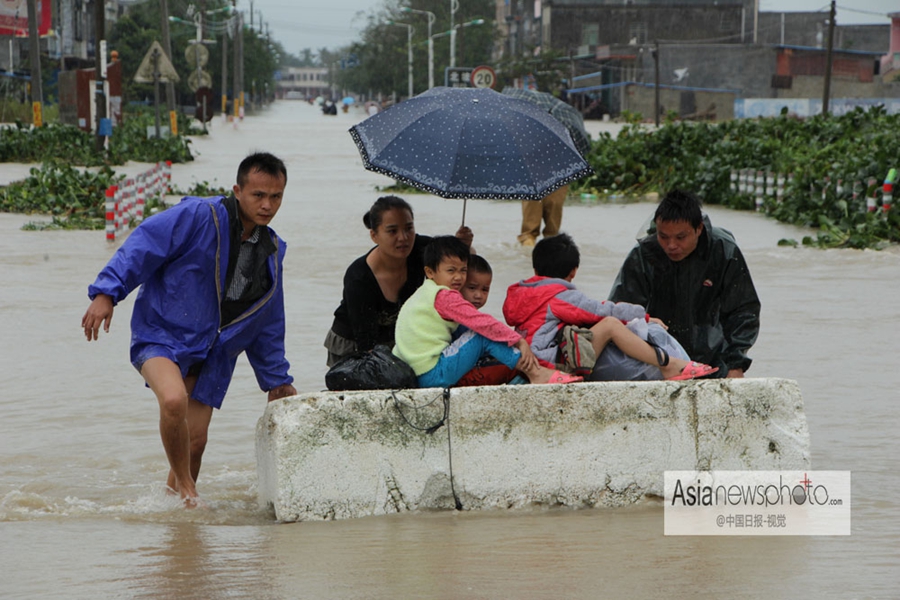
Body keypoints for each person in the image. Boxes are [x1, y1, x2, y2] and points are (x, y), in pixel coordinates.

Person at [81, 152, 297, 505]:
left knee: (195, 441)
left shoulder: (271, 252)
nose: (267, 205)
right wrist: (107, 292)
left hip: (214, 353)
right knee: (172, 399)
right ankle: (186, 484)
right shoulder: (199, 216)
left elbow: (269, 319)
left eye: (276, 197)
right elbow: (145, 243)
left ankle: (177, 519)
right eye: (258, 195)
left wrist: (276, 379)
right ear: (237, 191)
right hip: (162, 335)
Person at [503, 233, 718, 381]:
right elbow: (603, 311)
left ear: (535, 268)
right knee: (611, 325)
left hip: (527, 363)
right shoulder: (558, 296)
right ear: (573, 272)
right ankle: (668, 365)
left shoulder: (524, 294)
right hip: (549, 364)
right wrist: (643, 317)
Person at [393, 236, 582, 388]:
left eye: (463, 270)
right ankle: (536, 373)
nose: (458, 277)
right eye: (451, 271)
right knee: (482, 334)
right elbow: (482, 322)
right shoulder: (445, 296)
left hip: (414, 375)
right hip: (432, 375)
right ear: (430, 272)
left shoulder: (423, 294)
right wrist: (518, 340)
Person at [608, 190, 761, 378]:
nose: (671, 245)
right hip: (660, 361)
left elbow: (744, 312)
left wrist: (735, 364)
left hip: (713, 361)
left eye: (681, 237)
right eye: (663, 236)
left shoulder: (723, 250)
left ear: (698, 229)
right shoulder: (644, 255)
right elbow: (619, 312)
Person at [324, 195, 473, 367]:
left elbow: (455, 267)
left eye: (409, 228)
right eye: (392, 231)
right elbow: (367, 345)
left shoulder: (421, 249)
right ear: (374, 235)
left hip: (399, 338)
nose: (403, 238)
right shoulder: (359, 278)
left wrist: (464, 245)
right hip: (353, 345)